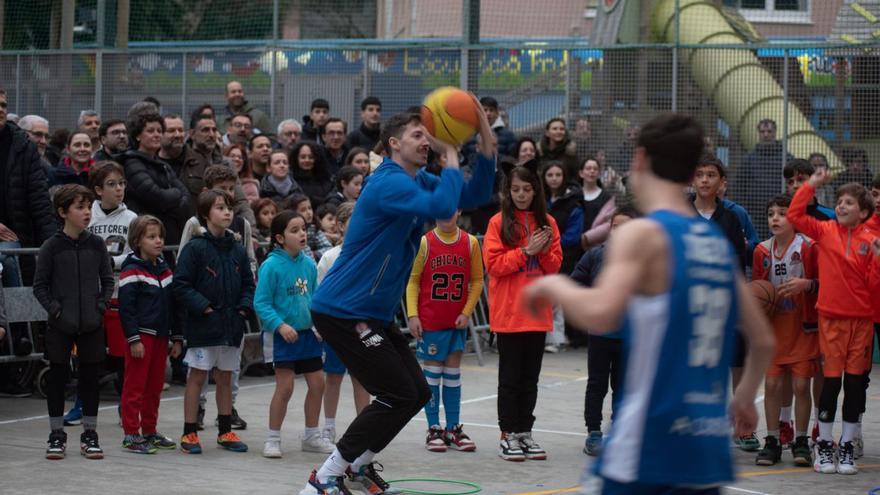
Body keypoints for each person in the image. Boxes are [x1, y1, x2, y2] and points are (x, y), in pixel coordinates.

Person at [523, 113, 775, 495]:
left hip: (649, 443)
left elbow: (601, 312)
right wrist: (743, 396)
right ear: (693, 172)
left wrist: (551, 288)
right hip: (705, 448)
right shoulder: (715, 245)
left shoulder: (643, 234)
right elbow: (763, 341)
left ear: (639, 159)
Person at [300, 107, 495, 495]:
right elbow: (441, 206)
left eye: (429, 135)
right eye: (418, 136)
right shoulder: (387, 183)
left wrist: (485, 138)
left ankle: (358, 463)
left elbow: (473, 194)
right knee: (397, 393)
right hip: (344, 310)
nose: (426, 142)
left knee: (417, 393)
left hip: (370, 313)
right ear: (393, 143)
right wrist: (452, 154)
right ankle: (325, 476)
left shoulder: (417, 179)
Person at [786, 168, 880, 475]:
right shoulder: (825, 231)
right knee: (830, 382)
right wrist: (811, 185)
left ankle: (848, 445)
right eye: (839, 201)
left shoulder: (872, 241)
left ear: (864, 212)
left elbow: (873, 285)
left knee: (855, 385)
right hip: (830, 320)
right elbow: (796, 215)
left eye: (849, 203)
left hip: (862, 323)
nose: (841, 206)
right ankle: (824, 444)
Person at [483, 165, 562, 462]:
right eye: (515, 190)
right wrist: (526, 251)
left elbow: (554, 266)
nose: (520, 195)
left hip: (537, 314)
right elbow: (494, 266)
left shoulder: (548, 223)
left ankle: (525, 432)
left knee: (530, 379)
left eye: (526, 190)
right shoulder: (497, 222)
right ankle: (508, 434)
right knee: (510, 379)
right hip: (509, 314)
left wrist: (540, 251)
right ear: (507, 192)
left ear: (535, 191)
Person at [33, 184, 115, 460]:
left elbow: (107, 280)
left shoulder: (96, 245)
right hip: (61, 325)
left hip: (91, 324)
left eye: (88, 206)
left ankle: (90, 434)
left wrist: (100, 306)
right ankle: (56, 435)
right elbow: (40, 287)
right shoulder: (51, 247)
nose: (86, 213)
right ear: (62, 212)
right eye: (79, 207)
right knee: (57, 378)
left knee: (90, 380)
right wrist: (56, 310)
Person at [173, 189, 255, 455]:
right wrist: (204, 308)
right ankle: (189, 432)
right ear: (206, 214)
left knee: (225, 377)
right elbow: (182, 285)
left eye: (229, 207)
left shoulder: (237, 249)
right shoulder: (195, 248)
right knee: (197, 376)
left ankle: (224, 430)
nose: (227, 213)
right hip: (204, 326)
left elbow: (247, 284)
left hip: (231, 326)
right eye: (220, 208)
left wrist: (243, 310)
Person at [256, 210, 334, 458]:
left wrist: (318, 325)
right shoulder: (271, 266)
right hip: (282, 337)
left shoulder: (309, 263)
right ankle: (272, 438)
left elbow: (315, 298)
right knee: (285, 387)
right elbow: (262, 303)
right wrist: (280, 325)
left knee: (318, 383)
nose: (302, 234)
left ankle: (311, 435)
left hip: (307, 335)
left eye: (303, 229)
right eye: (294, 230)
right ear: (279, 238)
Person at [406, 209, 484, 453]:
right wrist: (412, 314)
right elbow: (413, 281)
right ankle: (433, 429)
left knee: (452, 373)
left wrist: (467, 311)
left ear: (459, 211)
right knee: (432, 374)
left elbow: (478, 280)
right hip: (431, 322)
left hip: (456, 322)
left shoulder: (470, 243)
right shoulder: (425, 242)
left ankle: (453, 427)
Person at [752, 194, 819, 467]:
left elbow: (823, 282)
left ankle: (801, 439)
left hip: (803, 328)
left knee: (803, 386)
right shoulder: (761, 251)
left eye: (782, 213)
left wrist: (806, 284)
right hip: (774, 330)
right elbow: (758, 291)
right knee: (772, 385)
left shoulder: (808, 247)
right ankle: (772, 439)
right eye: (771, 214)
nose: (776, 218)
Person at [572, 204, 639, 457]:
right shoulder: (595, 255)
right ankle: (594, 432)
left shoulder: (642, 262)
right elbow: (576, 282)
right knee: (597, 384)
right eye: (615, 227)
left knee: (623, 386)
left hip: (629, 335)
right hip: (601, 333)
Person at [118, 215, 184, 454]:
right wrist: (133, 339)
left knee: (154, 387)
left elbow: (174, 306)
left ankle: (149, 430)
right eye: (151, 237)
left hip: (161, 337)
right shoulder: (131, 270)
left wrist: (177, 337)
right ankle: (131, 434)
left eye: (160, 236)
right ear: (137, 240)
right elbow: (126, 310)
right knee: (135, 387)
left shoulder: (165, 269)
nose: (158, 241)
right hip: (141, 339)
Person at [85, 161, 138, 420]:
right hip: (90, 295)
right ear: (97, 190)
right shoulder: (87, 215)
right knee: (88, 355)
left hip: (119, 294)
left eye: (122, 184)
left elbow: (134, 255)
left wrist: (107, 263)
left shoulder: (132, 219)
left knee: (121, 357)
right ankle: (82, 405)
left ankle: (124, 406)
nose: (118, 189)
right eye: (111, 184)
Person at [314, 201, 370, 444]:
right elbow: (319, 292)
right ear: (340, 225)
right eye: (353, 220)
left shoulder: (369, 254)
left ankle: (365, 427)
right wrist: (319, 327)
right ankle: (328, 427)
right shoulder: (329, 257)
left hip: (361, 327)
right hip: (336, 328)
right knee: (333, 377)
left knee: (362, 378)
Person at [121, 113, 191, 246]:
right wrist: (175, 195)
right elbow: (156, 196)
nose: (157, 134)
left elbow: (186, 196)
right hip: (145, 235)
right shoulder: (131, 163)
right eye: (150, 131)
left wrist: (170, 203)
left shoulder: (163, 165)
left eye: (159, 131)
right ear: (137, 136)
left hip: (167, 233)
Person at [541, 161, 582, 353]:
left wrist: (551, 243)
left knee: (557, 299)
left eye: (558, 175)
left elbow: (574, 235)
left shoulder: (573, 202)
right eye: (550, 175)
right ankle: (543, 336)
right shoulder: (540, 201)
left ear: (564, 177)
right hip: (541, 255)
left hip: (564, 256)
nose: (554, 178)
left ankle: (556, 339)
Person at [291, 141, 334, 209]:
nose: (307, 160)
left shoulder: (326, 180)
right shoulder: (291, 181)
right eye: (303, 157)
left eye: (311, 157)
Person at [252, 197, 277, 264]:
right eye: (265, 214)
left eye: (273, 213)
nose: (270, 217)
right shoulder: (254, 235)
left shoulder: (278, 232)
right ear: (256, 216)